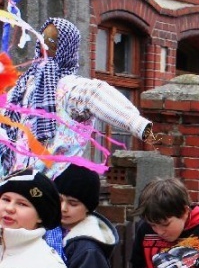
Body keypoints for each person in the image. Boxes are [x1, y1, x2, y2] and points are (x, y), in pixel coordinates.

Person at [2, 18, 153, 177]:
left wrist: (137, 124)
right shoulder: (23, 86)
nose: (45, 49)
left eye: (52, 43)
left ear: (66, 48)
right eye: (43, 41)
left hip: (54, 184)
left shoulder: (69, 88)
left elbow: (95, 94)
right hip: (14, 182)